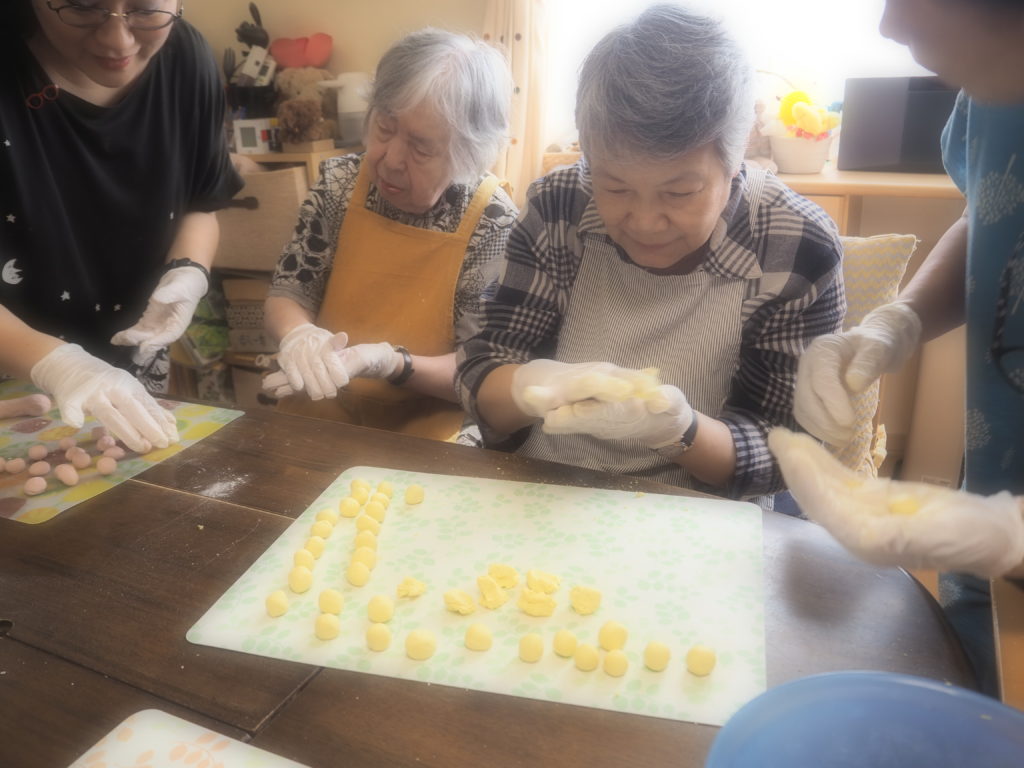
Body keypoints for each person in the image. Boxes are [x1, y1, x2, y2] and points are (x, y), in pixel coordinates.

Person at [455, 4, 845, 504]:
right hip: (543, 489)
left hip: (697, 510)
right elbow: (481, 372)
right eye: (614, 187)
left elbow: (789, 453)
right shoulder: (559, 205)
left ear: (735, 158)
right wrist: (532, 386)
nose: (643, 221)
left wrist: (678, 430)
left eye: (679, 193)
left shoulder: (796, 243)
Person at [779, 0, 1024, 696]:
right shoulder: (993, 88)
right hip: (992, 543)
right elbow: (994, 210)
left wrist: (1001, 534)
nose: (889, 26)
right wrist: (897, 322)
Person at [0, 0, 243, 451]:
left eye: (146, 9)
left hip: (128, 372)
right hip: (12, 382)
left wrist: (188, 271)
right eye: (82, 6)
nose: (118, 40)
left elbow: (200, 201)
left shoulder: (186, 59)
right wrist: (58, 365)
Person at [262, 28, 518, 442]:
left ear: (467, 154)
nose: (391, 159)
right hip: (320, 412)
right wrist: (299, 336)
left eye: (421, 148)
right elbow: (288, 293)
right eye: (384, 127)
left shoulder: (492, 222)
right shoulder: (339, 184)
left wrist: (390, 362)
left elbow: (480, 369)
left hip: (424, 436)